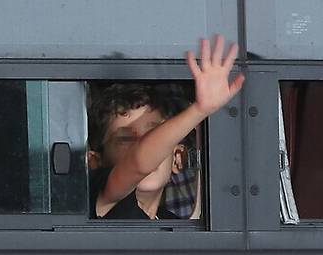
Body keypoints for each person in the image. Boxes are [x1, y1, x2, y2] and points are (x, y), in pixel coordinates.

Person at [87, 35, 244, 219]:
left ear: (178, 158)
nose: (146, 145)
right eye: (125, 139)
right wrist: (200, 110)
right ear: (95, 160)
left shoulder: (175, 227)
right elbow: (138, 162)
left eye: (154, 134)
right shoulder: (102, 200)